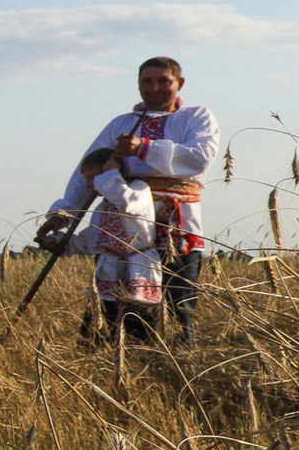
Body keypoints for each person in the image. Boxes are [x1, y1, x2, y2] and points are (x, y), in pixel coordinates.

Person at [36, 57, 220, 345]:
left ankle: (175, 371)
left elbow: (199, 158)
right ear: (138, 85)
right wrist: (65, 214)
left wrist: (143, 147)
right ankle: (107, 365)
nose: (155, 88)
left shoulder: (196, 118)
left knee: (176, 305)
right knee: (112, 305)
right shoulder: (122, 124)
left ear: (179, 83)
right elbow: (89, 169)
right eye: (147, 82)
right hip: (119, 224)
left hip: (176, 226)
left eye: (163, 81)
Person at [51, 147, 162, 343]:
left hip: (138, 270)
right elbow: (90, 240)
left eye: (92, 177)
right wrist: (60, 243)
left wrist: (110, 174)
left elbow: (127, 202)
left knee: (139, 328)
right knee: (95, 329)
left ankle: (143, 361)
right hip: (109, 271)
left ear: (111, 171)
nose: (88, 184)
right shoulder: (103, 207)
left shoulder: (139, 190)